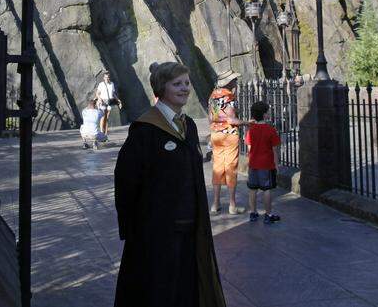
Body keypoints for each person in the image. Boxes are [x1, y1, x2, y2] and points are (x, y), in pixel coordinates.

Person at [114, 62, 227, 307]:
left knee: (186, 289)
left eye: (186, 83)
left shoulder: (191, 127)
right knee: (159, 290)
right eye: (177, 84)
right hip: (156, 231)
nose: (185, 88)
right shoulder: (145, 130)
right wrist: (133, 230)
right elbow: (126, 181)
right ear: (161, 87)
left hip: (190, 227)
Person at [208, 71, 245, 215]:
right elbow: (231, 119)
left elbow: (212, 118)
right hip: (229, 135)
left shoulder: (213, 96)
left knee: (218, 168)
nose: (236, 81)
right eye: (234, 80)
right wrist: (247, 122)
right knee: (230, 168)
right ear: (229, 82)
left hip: (216, 135)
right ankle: (232, 205)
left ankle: (215, 204)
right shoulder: (229, 96)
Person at [245, 101, 282, 224]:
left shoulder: (251, 130)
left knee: (252, 189)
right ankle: (268, 214)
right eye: (268, 111)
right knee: (267, 189)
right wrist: (276, 164)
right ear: (265, 115)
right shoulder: (270, 130)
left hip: (253, 164)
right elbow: (274, 150)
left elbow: (249, 148)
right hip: (266, 164)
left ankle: (253, 213)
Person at [95, 69, 121, 140]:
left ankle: (105, 135)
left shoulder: (111, 84)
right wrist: (99, 99)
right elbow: (97, 93)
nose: (107, 78)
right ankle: (101, 133)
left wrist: (118, 100)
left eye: (108, 77)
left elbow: (113, 94)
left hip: (109, 102)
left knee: (106, 119)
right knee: (102, 118)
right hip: (102, 102)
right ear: (104, 78)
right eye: (106, 77)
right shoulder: (101, 84)